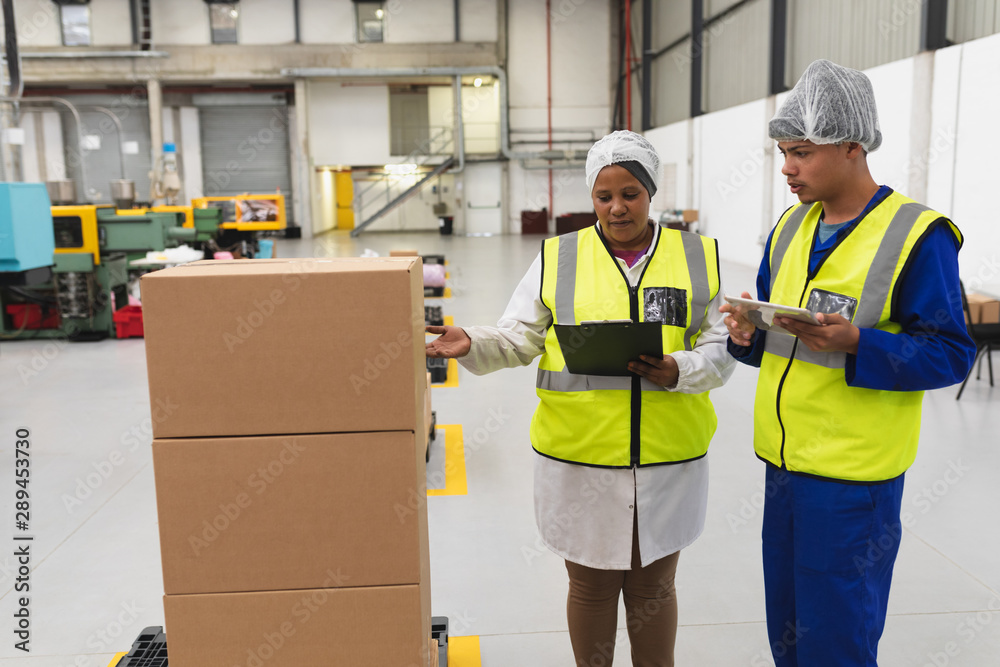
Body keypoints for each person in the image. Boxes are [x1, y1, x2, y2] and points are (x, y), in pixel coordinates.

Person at [427, 130, 735, 667]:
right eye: (603, 195)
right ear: (591, 197)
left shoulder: (696, 256)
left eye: (631, 194)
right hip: (579, 458)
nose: (617, 208)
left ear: (652, 191)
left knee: (654, 587)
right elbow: (519, 335)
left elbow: (721, 345)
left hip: (668, 457)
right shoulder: (559, 258)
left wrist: (678, 369)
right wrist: (473, 340)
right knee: (590, 585)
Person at [720, 59, 976, 666]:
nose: (787, 168)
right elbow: (773, 334)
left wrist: (861, 343)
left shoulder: (917, 234)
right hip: (783, 465)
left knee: (836, 638)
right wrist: (744, 332)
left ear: (852, 147)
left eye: (801, 152)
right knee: (786, 626)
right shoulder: (790, 226)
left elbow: (951, 352)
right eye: (783, 152)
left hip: (853, 481)